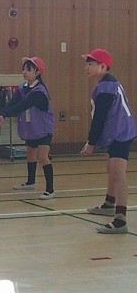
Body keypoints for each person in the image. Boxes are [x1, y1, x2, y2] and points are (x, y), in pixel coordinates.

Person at [80, 48, 136, 234]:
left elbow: (99, 118)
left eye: (90, 64)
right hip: (120, 131)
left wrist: (91, 142)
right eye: (86, 64)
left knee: (118, 174)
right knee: (111, 168)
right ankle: (109, 204)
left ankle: (120, 220)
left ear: (102, 66)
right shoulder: (110, 83)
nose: (86, 67)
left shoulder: (105, 88)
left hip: (120, 133)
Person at [0, 56, 56, 200]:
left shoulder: (39, 91)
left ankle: (50, 190)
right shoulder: (22, 88)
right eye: (23, 69)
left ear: (37, 72)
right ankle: (30, 182)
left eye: (28, 69)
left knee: (43, 157)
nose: (24, 72)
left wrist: (6, 114)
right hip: (31, 128)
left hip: (44, 129)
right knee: (30, 155)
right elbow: (13, 103)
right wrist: (2, 113)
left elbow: (23, 105)